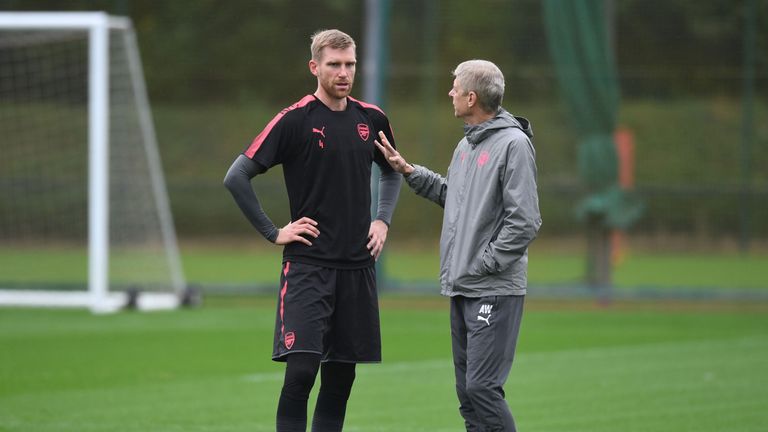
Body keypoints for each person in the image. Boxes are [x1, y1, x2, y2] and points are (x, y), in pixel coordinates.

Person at [223, 29, 401, 432]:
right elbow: (237, 176)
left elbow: (393, 171)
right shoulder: (294, 120)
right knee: (301, 372)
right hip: (308, 268)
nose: (343, 72)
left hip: (357, 268)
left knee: (340, 380)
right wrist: (274, 232)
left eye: (350, 64)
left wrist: (382, 218)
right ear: (314, 67)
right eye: (334, 64)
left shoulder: (371, 118)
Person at [375, 59, 541, 432]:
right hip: (464, 286)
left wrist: (486, 262)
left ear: (471, 96)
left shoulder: (513, 144)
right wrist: (408, 171)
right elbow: (454, 196)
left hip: (493, 288)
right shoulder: (466, 145)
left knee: (482, 387)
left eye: (455, 87)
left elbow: (526, 220)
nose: (449, 93)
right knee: (468, 395)